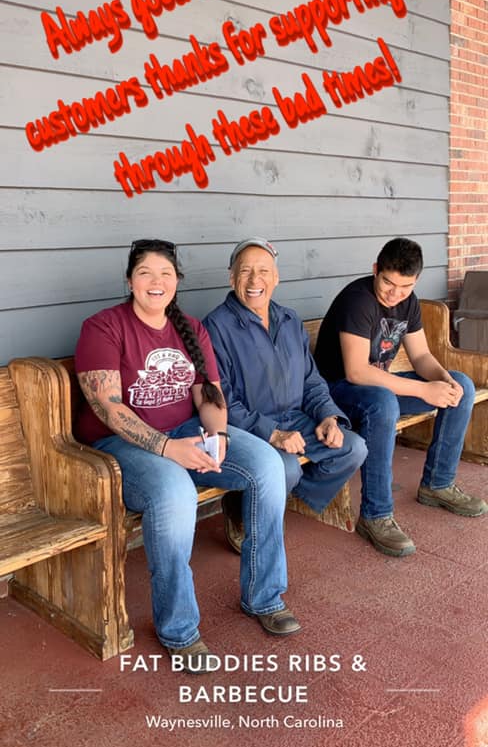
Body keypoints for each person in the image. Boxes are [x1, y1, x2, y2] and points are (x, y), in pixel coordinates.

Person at [74, 238, 300, 674]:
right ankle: (178, 629)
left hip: (184, 432)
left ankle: (265, 596)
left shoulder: (191, 328)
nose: (155, 282)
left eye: (165, 274)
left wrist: (217, 435)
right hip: (119, 446)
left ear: (176, 281)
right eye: (145, 273)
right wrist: (168, 449)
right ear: (130, 281)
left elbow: (209, 395)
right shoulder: (103, 327)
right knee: (175, 490)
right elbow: (110, 409)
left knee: (268, 465)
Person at [314, 237, 487, 557]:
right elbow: (356, 372)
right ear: (376, 270)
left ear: (415, 281)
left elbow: (420, 357)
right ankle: (375, 515)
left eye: (405, 287)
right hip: (336, 392)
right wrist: (424, 390)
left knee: (461, 387)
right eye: (388, 283)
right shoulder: (358, 300)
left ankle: (437, 484)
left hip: (377, 387)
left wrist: (444, 380)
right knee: (383, 404)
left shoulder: (409, 303)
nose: (394, 294)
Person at [203, 237, 367, 551]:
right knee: (286, 467)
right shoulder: (216, 327)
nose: (255, 280)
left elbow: (311, 380)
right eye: (245, 271)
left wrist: (328, 417)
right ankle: (241, 507)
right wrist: (274, 434)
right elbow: (221, 400)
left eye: (264, 271)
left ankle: (277, 497)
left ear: (276, 277)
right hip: (248, 428)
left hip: (296, 419)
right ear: (231, 277)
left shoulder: (289, 320)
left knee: (353, 448)